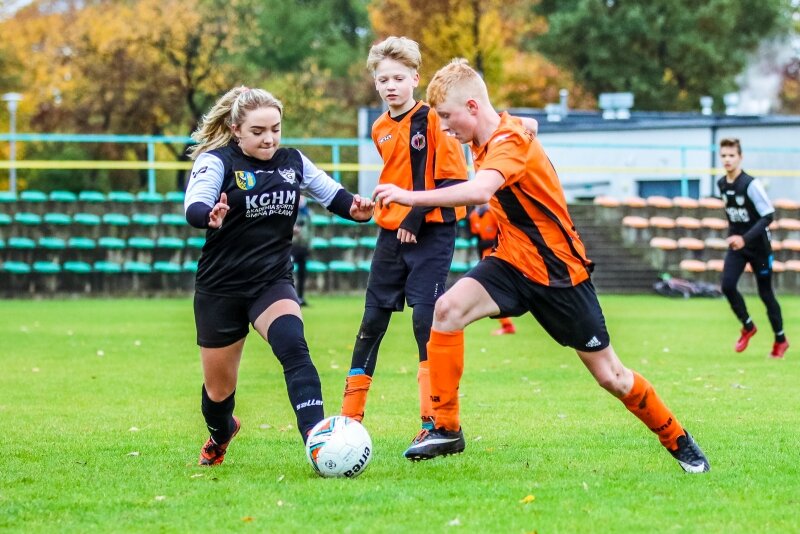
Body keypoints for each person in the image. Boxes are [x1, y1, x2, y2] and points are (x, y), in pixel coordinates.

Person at [372, 58, 710, 473]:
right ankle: (445, 427)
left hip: (559, 274)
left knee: (612, 377)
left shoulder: (507, 142)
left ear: (473, 107)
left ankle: (677, 438)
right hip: (511, 262)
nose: (443, 127)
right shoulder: (494, 132)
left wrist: (410, 197)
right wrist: (530, 125)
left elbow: (480, 191)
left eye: (447, 116)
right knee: (446, 311)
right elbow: (525, 124)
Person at [341, 37, 539, 444]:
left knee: (424, 322)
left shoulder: (435, 119)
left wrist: (414, 216)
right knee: (371, 321)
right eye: (383, 79)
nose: (391, 85)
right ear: (375, 83)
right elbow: (398, 176)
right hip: (390, 233)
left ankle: (433, 420)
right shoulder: (379, 128)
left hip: (432, 231)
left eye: (399, 78)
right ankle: (348, 419)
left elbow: (452, 179)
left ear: (415, 78)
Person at [184, 86, 374, 466]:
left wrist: (356, 209)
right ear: (236, 129)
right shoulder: (217, 161)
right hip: (221, 289)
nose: (269, 138)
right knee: (218, 395)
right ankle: (222, 432)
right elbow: (195, 203)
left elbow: (334, 195)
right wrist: (208, 215)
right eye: (258, 131)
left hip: (271, 281)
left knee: (293, 346)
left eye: (275, 129)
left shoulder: (293, 162)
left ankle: (319, 443)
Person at [717, 138, 789, 359]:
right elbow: (733, 216)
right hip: (738, 245)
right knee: (727, 286)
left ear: (740, 157)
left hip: (758, 247)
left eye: (731, 155)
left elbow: (768, 216)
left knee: (766, 294)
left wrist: (745, 238)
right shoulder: (722, 184)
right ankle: (748, 326)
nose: (727, 159)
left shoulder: (750, 184)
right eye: (724, 155)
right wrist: (733, 236)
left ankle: (780, 340)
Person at [468, 203, 515, 335]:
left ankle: (507, 324)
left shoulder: (493, 212)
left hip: (498, 254)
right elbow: (477, 237)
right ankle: (506, 324)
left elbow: (503, 232)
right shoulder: (473, 216)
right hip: (485, 256)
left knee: (495, 290)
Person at [292, 196, 313, 306]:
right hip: (293, 246)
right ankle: (291, 297)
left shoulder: (307, 213)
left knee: (302, 274)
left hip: (303, 246)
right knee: (290, 272)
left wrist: (309, 244)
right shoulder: (291, 211)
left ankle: (301, 297)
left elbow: (310, 230)